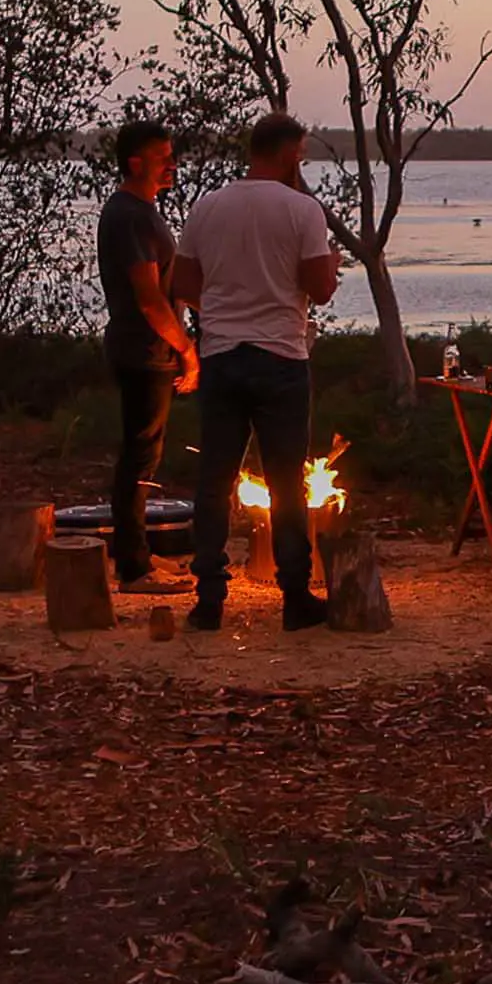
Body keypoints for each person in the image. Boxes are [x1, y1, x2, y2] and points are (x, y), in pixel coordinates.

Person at [172, 111, 341, 631]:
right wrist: (329, 262)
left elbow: (182, 280)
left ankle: (209, 599)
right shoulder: (302, 210)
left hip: (222, 355)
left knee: (213, 479)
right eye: (302, 155)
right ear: (290, 152)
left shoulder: (207, 207)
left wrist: (221, 313)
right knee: (286, 480)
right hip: (281, 358)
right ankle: (294, 597)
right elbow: (320, 289)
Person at [98, 119, 199, 593]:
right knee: (139, 460)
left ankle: (138, 557)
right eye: (163, 157)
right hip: (144, 352)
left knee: (143, 457)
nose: (171, 165)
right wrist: (186, 349)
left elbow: (166, 284)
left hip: (146, 349)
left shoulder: (139, 212)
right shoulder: (131, 215)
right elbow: (148, 297)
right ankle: (134, 568)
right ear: (137, 163)